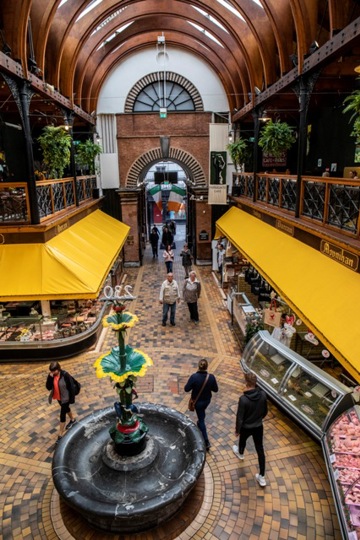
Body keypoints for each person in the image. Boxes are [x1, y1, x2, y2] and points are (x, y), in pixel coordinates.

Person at [233, 372, 268, 487]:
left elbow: (240, 417)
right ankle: (262, 476)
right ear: (255, 383)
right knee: (260, 450)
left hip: (246, 427)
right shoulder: (263, 395)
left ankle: (241, 453)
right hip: (258, 426)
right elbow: (265, 412)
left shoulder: (243, 399)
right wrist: (258, 418)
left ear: (246, 383)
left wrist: (237, 430)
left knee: (242, 440)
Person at [184, 358, 218, 451]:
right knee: (202, 413)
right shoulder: (211, 377)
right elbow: (215, 389)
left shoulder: (194, 377)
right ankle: (200, 423)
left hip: (197, 402)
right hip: (207, 401)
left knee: (201, 419)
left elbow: (186, 389)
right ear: (207, 367)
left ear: (198, 366)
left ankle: (206, 441)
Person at [46, 361, 77, 441]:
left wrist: (71, 399)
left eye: (54, 371)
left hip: (65, 398)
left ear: (58, 369)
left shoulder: (65, 375)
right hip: (58, 397)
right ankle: (73, 420)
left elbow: (71, 387)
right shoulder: (51, 376)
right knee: (66, 409)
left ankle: (60, 434)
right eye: (51, 371)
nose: (52, 372)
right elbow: (48, 387)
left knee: (62, 414)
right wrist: (50, 377)